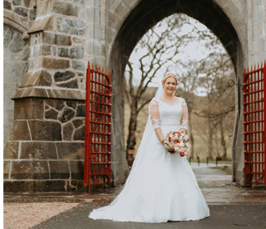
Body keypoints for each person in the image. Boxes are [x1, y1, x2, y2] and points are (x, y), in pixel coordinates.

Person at [89, 72, 210, 223]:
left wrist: (179, 139)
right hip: (159, 140)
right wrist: (164, 142)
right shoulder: (155, 102)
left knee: (178, 173)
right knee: (156, 173)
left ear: (176, 86)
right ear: (163, 84)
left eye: (173, 83)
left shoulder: (182, 102)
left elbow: (184, 122)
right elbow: (156, 123)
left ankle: (179, 209)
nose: (171, 86)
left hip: (177, 139)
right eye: (168, 83)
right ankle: (155, 208)